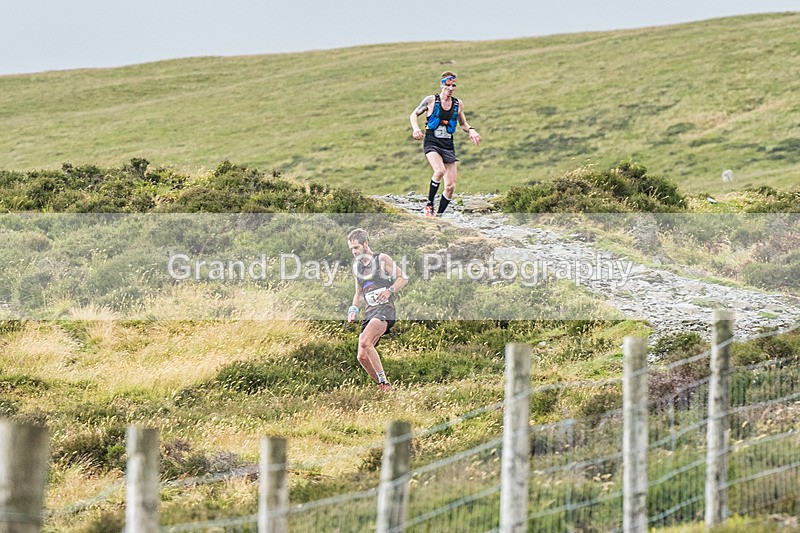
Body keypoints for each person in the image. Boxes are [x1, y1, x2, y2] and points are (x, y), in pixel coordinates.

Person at [409, 71, 482, 217]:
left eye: (453, 85)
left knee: (450, 186)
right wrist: (416, 129)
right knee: (440, 171)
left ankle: (439, 216)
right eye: (448, 85)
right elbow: (413, 114)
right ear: (442, 84)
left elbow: (463, 124)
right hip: (432, 142)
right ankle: (429, 205)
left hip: (448, 144)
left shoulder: (457, 104)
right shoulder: (430, 101)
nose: (451, 88)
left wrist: (471, 130)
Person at [346, 228, 409, 392]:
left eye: (356, 248)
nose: (354, 252)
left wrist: (390, 291)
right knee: (361, 356)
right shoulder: (356, 268)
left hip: (385, 309)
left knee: (365, 341)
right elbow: (359, 295)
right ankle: (386, 388)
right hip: (369, 312)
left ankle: (384, 383)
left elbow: (403, 277)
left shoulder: (381, 258)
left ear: (365, 244)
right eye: (351, 249)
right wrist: (353, 310)